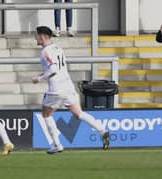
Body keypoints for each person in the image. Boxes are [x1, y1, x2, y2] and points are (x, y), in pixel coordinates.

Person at [32, 26, 110, 154]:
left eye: (37, 35)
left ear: (42, 36)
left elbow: (53, 70)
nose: (36, 38)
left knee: (46, 114)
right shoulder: (58, 48)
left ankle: (57, 145)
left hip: (56, 88)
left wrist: (38, 78)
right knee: (79, 113)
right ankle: (102, 131)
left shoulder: (45, 52)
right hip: (68, 86)